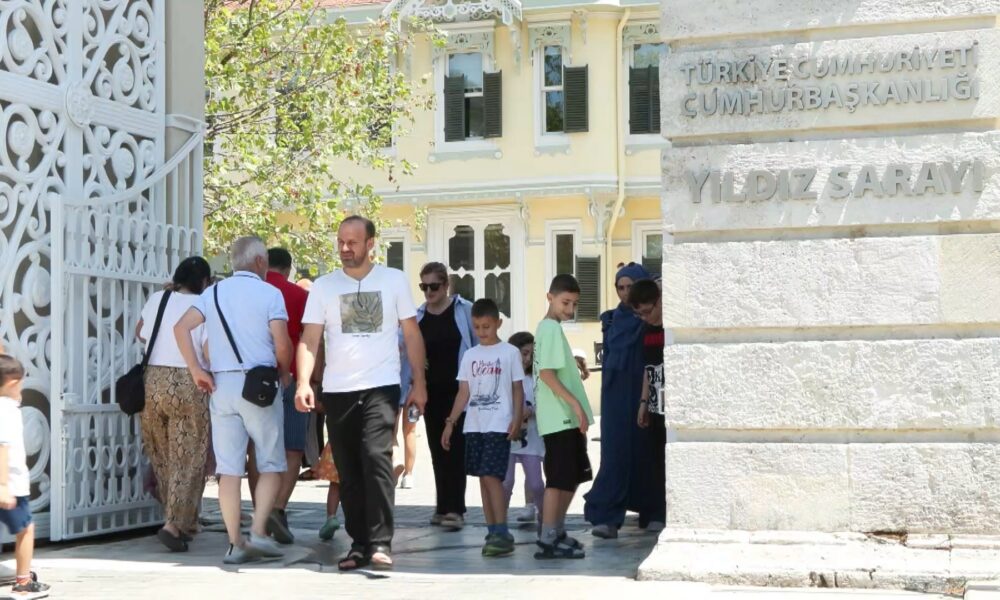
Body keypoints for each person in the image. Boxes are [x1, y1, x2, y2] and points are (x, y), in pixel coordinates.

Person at [295, 215, 427, 572]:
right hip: (338, 390)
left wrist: (419, 383)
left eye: (352, 242)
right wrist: (304, 382)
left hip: (381, 386)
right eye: (340, 241)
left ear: (371, 244)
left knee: (375, 457)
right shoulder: (324, 287)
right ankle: (359, 544)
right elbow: (310, 338)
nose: (344, 248)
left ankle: (381, 541)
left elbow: (412, 334)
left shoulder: (393, 280)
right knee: (348, 469)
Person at [174, 236, 293, 565]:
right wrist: (284, 373)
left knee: (228, 470)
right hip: (258, 386)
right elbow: (282, 343)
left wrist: (196, 369)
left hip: (221, 385)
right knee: (270, 462)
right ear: (260, 261)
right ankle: (257, 531)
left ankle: (234, 543)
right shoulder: (270, 294)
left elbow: (181, 328)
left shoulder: (213, 293)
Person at [135, 256, 213, 552]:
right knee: (188, 456)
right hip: (189, 382)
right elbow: (208, 349)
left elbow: (140, 332)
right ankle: (174, 524)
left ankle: (184, 521)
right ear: (204, 281)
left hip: (153, 382)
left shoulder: (159, 298)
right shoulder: (203, 305)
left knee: (163, 455)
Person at [441, 299, 524, 557]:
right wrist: (451, 422)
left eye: (486, 326)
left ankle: (502, 530)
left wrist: (517, 419)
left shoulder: (510, 353)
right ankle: (492, 530)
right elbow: (463, 392)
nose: (481, 332)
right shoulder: (470, 355)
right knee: (482, 478)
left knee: (491, 476)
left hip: (499, 424)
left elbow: (517, 389)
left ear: (498, 323)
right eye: (477, 327)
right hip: (474, 425)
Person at [400, 262, 476, 530]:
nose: (429, 292)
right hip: (429, 391)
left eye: (434, 286)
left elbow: (479, 344)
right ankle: (442, 506)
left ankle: (455, 508)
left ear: (446, 285)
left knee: (455, 447)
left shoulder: (464, 310)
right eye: (424, 286)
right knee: (436, 448)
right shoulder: (418, 316)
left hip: (459, 391)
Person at [584, 262, 654, 539]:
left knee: (646, 450)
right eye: (620, 287)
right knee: (614, 453)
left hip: (643, 390)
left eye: (630, 287)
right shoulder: (611, 320)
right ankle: (607, 517)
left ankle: (652, 512)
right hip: (614, 395)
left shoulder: (651, 316)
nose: (625, 293)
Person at [534, 274, 595, 560]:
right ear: (550, 297)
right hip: (559, 418)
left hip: (565, 419)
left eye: (574, 304)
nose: (570, 309)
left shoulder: (552, 328)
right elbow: (546, 374)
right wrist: (575, 405)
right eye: (565, 302)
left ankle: (556, 530)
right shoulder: (549, 328)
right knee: (558, 479)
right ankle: (548, 537)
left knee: (572, 475)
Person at [261, 247, 310, 545]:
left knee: (259, 449)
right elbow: (309, 338)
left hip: (256, 380)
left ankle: (260, 510)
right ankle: (278, 508)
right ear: (289, 269)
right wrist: (313, 380)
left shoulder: (255, 292)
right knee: (293, 447)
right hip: (291, 375)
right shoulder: (299, 295)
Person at [0, 355, 51, 597]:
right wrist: (3, 485)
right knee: (26, 529)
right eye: (20, 382)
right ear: (12, 383)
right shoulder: (7, 411)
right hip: (10, 485)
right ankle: (23, 583)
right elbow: (2, 447)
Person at [630, 279, 666, 532]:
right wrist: (643, 402)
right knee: (653, 460)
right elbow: (647, 368)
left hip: (674, 405)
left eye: (647, 311)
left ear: (659, 301)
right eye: (639, 314)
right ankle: (654, 512)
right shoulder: (646, 330)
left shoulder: (673, 328)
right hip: (654, 404)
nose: (644, 318)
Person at [503, 332, 545, 528]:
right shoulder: (504, 377)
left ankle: (545, 520)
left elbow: (543, 402)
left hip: (531, 438)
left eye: (531, 355)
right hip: (507, 438)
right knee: (506, 482)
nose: (528, 359)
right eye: (524, 353)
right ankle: (499, 522)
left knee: (536, 483)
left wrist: (531, 411)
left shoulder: (535, 378)